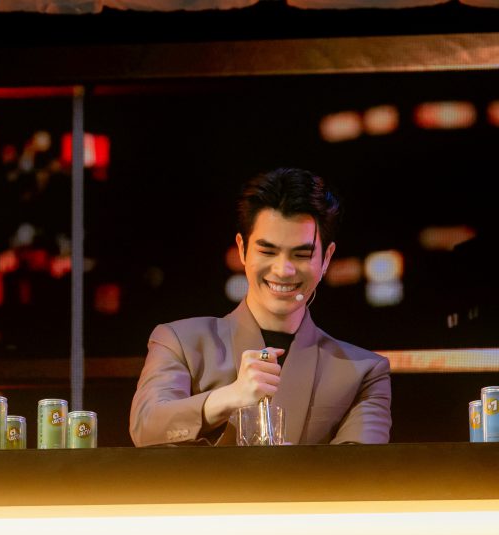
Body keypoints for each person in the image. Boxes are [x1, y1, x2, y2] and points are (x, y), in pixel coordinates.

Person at [130, 168, 391, 446]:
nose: (283, 270)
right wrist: (231, 396)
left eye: (301, 254)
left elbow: (361, 468)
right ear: (242, 249)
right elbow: (146, 428)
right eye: (267, 251)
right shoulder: (180, 341)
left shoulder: (363, 372)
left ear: (326, 258)